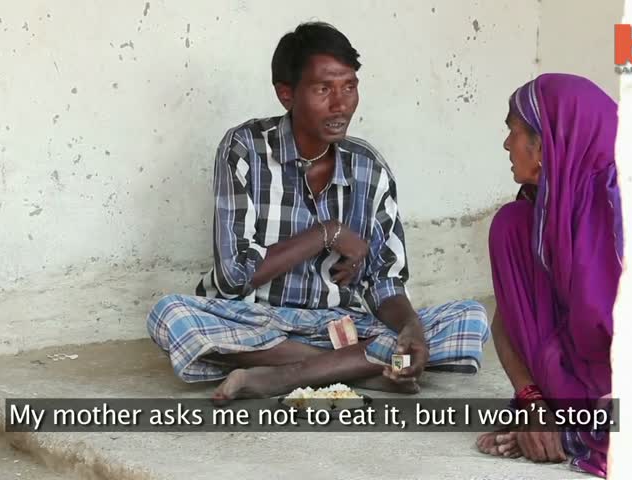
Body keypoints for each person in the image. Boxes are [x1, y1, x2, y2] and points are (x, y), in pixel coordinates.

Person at [146, 22, 489, 404]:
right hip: (258, 321)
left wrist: (410, 328)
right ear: (286, 94)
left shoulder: (368, 167)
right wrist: (325, 233)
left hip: (342, 327)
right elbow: (232, 277)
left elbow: (384, 282)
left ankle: (288, 374)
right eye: (324, 89)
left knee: (469, 319)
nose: (341, 104)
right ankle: (363, 369)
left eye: (350, 86)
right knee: (171, 316)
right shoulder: (244, 149)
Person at [475, 73, 622, 477]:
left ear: (545, 143)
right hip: (578, 391)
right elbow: (506, 324)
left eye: (514, 131)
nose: (507, 145)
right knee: (509, 224)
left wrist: (572, 436)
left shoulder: (622, 210)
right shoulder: (537, 217)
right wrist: (533, 403)